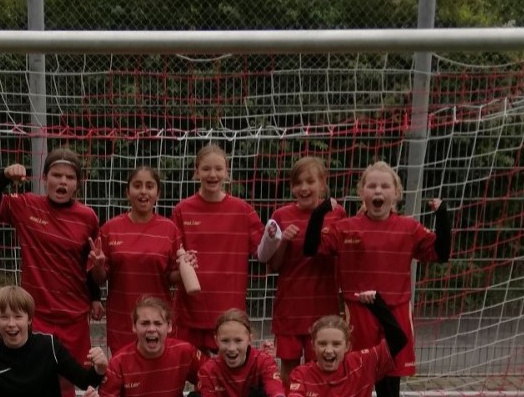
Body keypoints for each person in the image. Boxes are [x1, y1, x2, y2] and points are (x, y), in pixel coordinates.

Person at [303, 160, 451, 397]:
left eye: (385, 186)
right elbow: (311, 247)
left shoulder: (409, 228)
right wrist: (319, 213)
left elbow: (441, 253)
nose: (378, 191)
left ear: (396, 194)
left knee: (388, 387)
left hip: (394, 317)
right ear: (362, 192)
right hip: (356, 316)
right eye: (372, 186)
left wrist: (443, 216)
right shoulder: (345, 228)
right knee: (352, 387)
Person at [0, 146, 102, 397]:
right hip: (37, 312)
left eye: (69, 177)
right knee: (36, 374)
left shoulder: (88, 217)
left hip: (73, 314)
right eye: (56, 175)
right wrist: (4, 177)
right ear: (45, 178)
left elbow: (87, 263)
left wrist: (95, 297)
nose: (62, 182)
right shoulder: (26, 205)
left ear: (78, 183)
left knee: (68, 380)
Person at [256, 156, 346, 384]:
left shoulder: (337, 214)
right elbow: (274, 265)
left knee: (321, 368)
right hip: (290, 307)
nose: (303, 188)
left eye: (310, 181)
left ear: (323, 183)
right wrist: (283, 241)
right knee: (289, 370)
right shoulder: (281, 216)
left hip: (324, 307)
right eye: (297, 183)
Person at [171, 143, 264, 354]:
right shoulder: (182, 210)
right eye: (206, 169)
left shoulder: (243, 210)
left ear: (227, 172)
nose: (212, 174)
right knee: (190, 371)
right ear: (196, 172)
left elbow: (262, 252)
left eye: (218, 169)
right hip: (192, 307)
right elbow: (173, 256)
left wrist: (277, 236)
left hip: (228, 309)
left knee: (228, 371)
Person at [89, 165, 182, 355]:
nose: (143, 191)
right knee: (125, 376)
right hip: (122, 319)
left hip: (157, 320)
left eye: (150, 186)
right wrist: (98, 266)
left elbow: (171, 276)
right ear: (127, 192)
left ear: (158, 193)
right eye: (137, 185)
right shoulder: (110, 228)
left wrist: (186, 269)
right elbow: (99, 278)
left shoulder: (169, 229)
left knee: (158, 375)